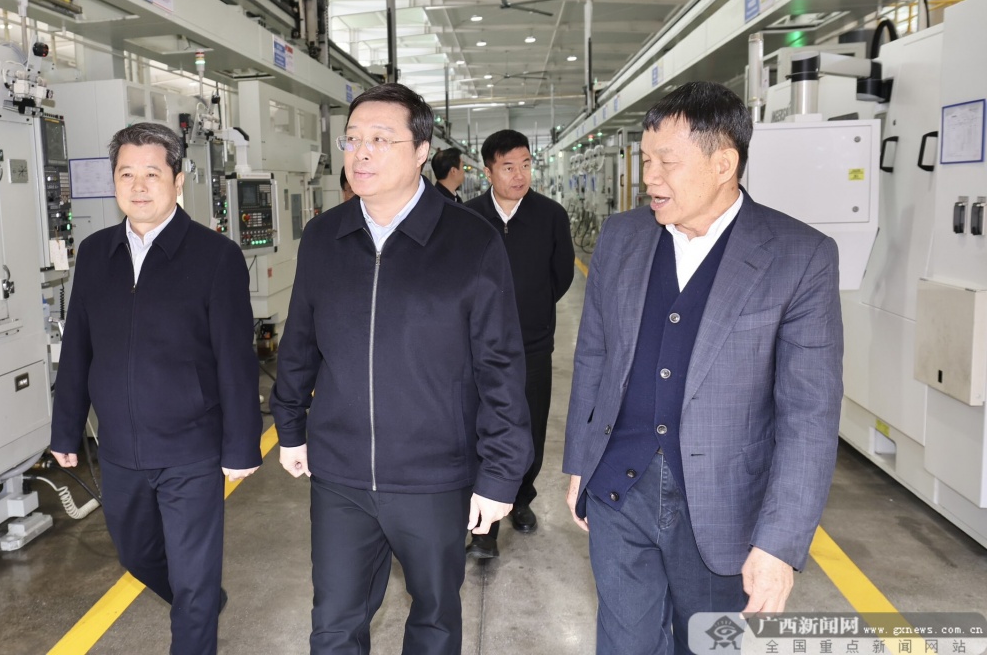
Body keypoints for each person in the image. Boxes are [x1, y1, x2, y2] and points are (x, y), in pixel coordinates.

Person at [563, 82, 843, 653]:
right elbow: (594, 355)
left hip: (724, 511)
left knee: (715, 644)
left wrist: (779, 544)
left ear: (723, 164)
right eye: (646, 160)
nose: (650, 178)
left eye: (667, 161)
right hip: (619, 491)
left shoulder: (799, 256)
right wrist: (579, 462)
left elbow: (809, 417)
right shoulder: (621, 237)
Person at [271, 82, 532, 655]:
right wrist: (289, 425)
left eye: (380, 139)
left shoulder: (471, 242)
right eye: (353, 139)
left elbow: (500, 367)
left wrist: (500, 473)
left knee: (434, 619)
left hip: (433, 476)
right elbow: (300, 341)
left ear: (420, 152)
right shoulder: (324, 236)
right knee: (333, 623)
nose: (361, 152)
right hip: (340, 474)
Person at [50, 122, 263, 655]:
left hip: (191, 448)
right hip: (120, 449)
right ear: (114, 182)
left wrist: (242, 445)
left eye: (152, 173)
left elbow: (235, 359)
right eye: (127, 174)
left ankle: (197, 609)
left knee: (193, 577)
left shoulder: (215, 257)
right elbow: (77, 346)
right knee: (138, 555)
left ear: (178, 180)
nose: (139, 186)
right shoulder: (95, 253)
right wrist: (66, 429)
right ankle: (202, 603)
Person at [464, 130, 574, 559]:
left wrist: (533, 310)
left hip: (532, 345)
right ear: (488, 171)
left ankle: (522, 498)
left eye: (525, 165)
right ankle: (483, 525)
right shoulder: (469, 218)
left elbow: (561, 275)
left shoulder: (550, 216)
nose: (519, 175)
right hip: (478, 347)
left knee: (530, 425)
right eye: (508, 167)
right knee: (482, 426)